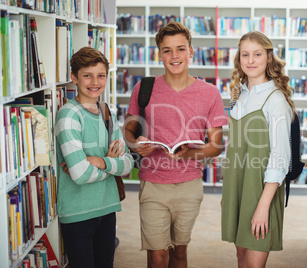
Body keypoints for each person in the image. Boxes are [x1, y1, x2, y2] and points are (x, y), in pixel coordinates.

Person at [123, 22, 227, 268]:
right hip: (153, 184)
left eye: (180, 49)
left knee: (179, 253)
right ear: (159, 54)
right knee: (157, 256)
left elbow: (216, 146)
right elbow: (128, 130)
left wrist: (190, 152)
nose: (174, 56)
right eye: (167, 50)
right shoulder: (144, 88)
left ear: (191, 52)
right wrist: (136, 143)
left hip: (189, 186)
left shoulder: (210, 93)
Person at [55, 47, 134, 268]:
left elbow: (127, 163)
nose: (95, 82)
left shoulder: (106, 112)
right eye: (87, 75)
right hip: (78, 213)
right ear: (74, 78)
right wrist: (111, 165)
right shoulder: (69, 116)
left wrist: (99, 161)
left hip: (107, 208)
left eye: (100, 75)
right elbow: (79, 175)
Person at [221, 31, 294, 267]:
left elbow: (280, 158)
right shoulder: (239, 96)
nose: (250, 60)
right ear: (239, 59)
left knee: (254, 262)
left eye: (257, 54)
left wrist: (263, 206)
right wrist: (229, 192)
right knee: (241, 258)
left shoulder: (275, 101)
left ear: (268, 58)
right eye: (245, 54)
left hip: (261, 191)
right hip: (237, 188)